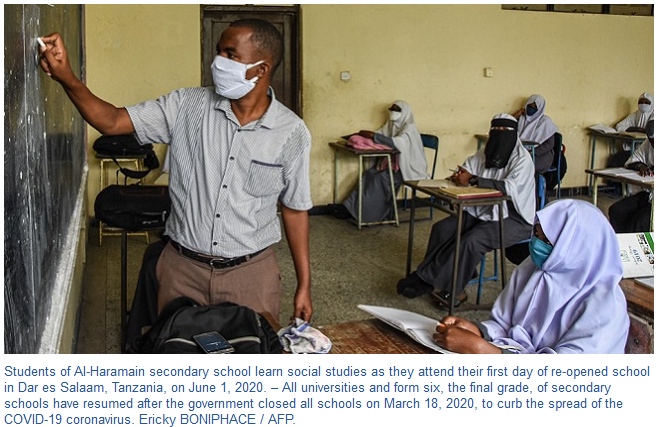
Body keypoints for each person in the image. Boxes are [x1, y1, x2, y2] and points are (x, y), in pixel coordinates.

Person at [39, 19, 313, 323]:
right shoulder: (186, 106)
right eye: (219, 51)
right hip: (182, 270)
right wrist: (67, 78)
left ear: (261, 69)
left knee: (249, 352)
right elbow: (112, 121)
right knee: (175, 350)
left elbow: (294, 209)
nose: (218, 61)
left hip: (250, 275)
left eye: (230, 54)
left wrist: (304, 284)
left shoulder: (291, 132)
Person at [433, 199, 629, 354]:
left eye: (547, 241)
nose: (537, 244)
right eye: (536, 234)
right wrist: (479, 331)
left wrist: (484, 351)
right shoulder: (532, 269)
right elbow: (506, 325)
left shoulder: (606, 307)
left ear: (578, 248)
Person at [397, 113, 535, 306]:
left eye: (505, 130)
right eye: (495, 129)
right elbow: (468, 168)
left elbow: (509, 188)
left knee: (471, 240)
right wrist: (459, 176)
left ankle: (454, 291)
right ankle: (432, 277)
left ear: (514, 134)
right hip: (485, 209)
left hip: (515, 218)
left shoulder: (522, 159)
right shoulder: (486, 152)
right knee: (443, 229)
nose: (499, 134)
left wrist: (473, 179)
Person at [331, 101, 428, 222]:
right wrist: (362, 136)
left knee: (379, 179)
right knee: (369, 174)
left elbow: (398, 143)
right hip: (394, 166)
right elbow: (380, 133)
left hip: (408, 169)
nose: (392, 112)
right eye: (391, 109)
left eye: (396, 110)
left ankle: (371, 215)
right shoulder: (391, 125)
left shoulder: (409, 128)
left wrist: (373, 136)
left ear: (405, 112)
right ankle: (350, 208)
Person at [609, 120, 654, 233]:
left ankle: (635, 244)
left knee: (640, 220)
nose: (653, 145)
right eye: (651, 142)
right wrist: (640, 165)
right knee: (616, 211)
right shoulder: (649, 144)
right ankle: (619, 243)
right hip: (648, 195)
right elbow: (632, 160)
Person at [609, 92, 654, 167]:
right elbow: (619, 126)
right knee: (616, 159)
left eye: (647, 102)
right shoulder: (637, 114)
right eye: (641, 102)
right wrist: (635, 129)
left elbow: (651, 129)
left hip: (642, 152)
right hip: (635, 150)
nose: (643, 104)